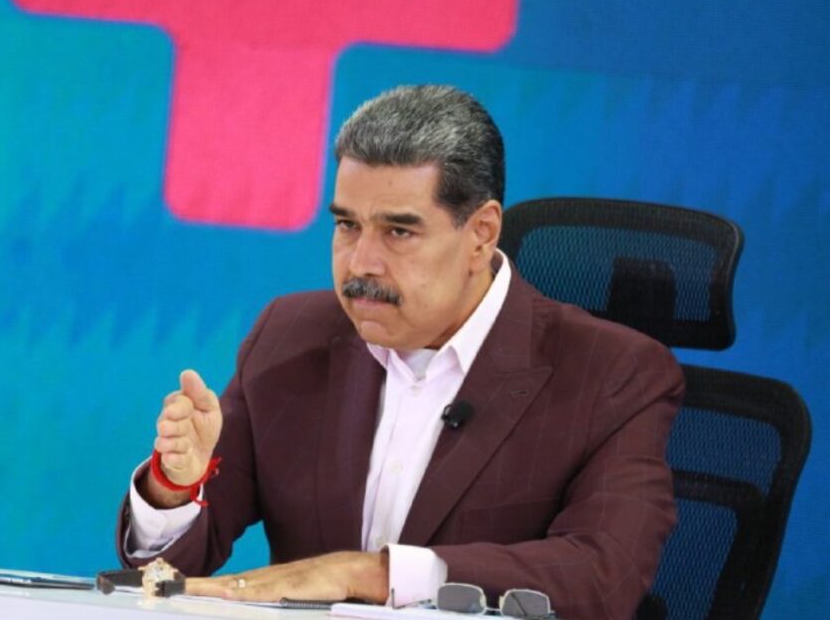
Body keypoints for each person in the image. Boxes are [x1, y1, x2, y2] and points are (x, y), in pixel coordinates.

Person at [116, 85, 684, 620]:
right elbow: (169, 572)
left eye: (398, 232)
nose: (361, 262)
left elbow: (604, 575)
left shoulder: (611, 373)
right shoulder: (290, 336)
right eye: (347, 225)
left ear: (481, 233)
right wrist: (175, 487)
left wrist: (370, 574)